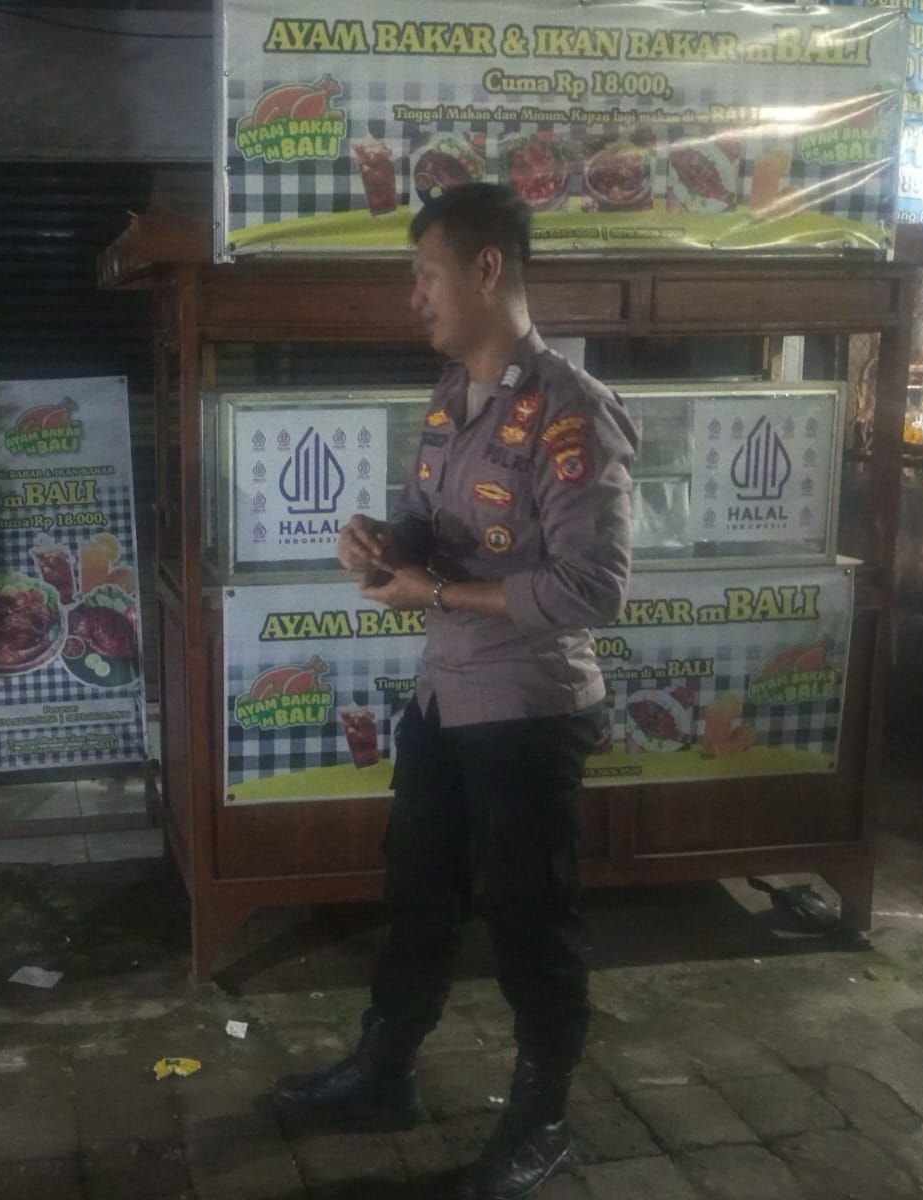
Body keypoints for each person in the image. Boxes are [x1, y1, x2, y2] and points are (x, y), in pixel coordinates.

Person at [271, 183, 639, 1200]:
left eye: (426, 275)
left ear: (487, 269)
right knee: (417, 892)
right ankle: (384, 1071)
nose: (414, 297)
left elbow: (593, 587)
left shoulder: (570, 410)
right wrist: (378, 544)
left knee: (530, 916)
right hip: (445, 698)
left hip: (527, 712)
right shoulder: (450, 396)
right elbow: (426, 527)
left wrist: (432, 589)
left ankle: (542, 1120)